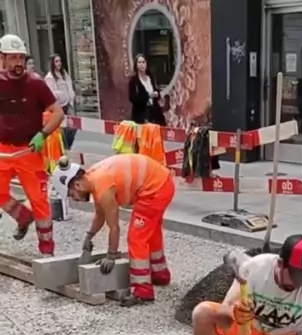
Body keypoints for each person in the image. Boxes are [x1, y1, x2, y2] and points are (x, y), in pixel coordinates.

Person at [51, 153, 175, 306]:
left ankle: (143, 291)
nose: (75, 199)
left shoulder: (103, 188)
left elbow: (114, 227)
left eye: (71, 195)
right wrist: (89, 236)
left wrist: (111, 255)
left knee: (136, 238)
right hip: (161, 182)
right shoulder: (93, 179)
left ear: (77, 185)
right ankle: (160, 274)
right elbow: (100, 215)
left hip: (155, 189)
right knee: (150, 231)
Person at [0, 34, 64, 255]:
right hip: (3, 149)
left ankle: (47, 250)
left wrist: (42, 134)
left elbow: (58, 113)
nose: (18, 63)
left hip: (29, 150)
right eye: (13, 58)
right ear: (2, 58)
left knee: (39, 200)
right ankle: (22, 216)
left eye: (21, 58)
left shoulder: (35, 84)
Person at [44, 54, 77, 149]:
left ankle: (68, 145)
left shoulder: (64, 73)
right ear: (52, 63)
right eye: (56, 61)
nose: (59, 63)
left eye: (60, 61)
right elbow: (51, 93)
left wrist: (71, 96)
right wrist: (61, 94)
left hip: (68, 104)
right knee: (62, 129)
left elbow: (69, 85)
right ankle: (65, 147)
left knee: (73, 126)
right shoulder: (50, 77)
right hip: (59, 106)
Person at [128, 54, 165, 126]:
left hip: (154, 113)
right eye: (139, 62)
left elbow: (157, 90)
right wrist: (148, 96)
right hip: (141, 115)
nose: (141, 64)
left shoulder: (150, 78)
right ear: (136, 65)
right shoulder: (133, 81)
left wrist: (157, 94)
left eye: (143, 62)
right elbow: (132, 98)